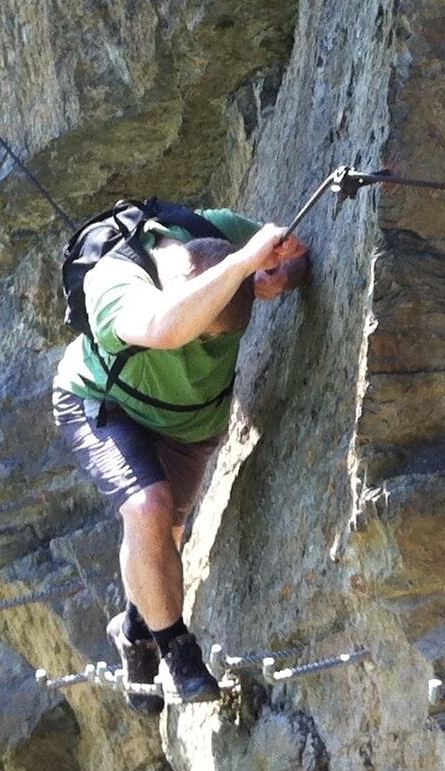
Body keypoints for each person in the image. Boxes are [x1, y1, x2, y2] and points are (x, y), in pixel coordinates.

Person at [52, 205, 309, 710]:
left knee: (165, 534)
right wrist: (238, 270)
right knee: (147, 507)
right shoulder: (115, 282)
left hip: (190, 420)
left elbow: (296, 257)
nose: (208, 345)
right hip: (105, 402)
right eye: (206, 333)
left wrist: (280, 274)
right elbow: (165, 330)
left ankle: (134, 630)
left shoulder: (219, 233)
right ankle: (178, 652)